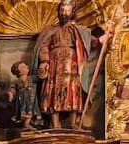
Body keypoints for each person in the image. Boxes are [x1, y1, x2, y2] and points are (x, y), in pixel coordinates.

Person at [35, 0, 108, 129]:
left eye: (67, 10)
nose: (64, 13)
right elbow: (44, 46)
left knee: (74, 90)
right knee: (53, 91)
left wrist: (101, 39)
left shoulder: (77, 30)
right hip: (54, 65)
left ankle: (73, 122)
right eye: (62, 10)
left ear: (72, 12)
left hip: (72, 64)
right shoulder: (51, 31)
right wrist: (45, 61)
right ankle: (55, 123)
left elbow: (87, 41)